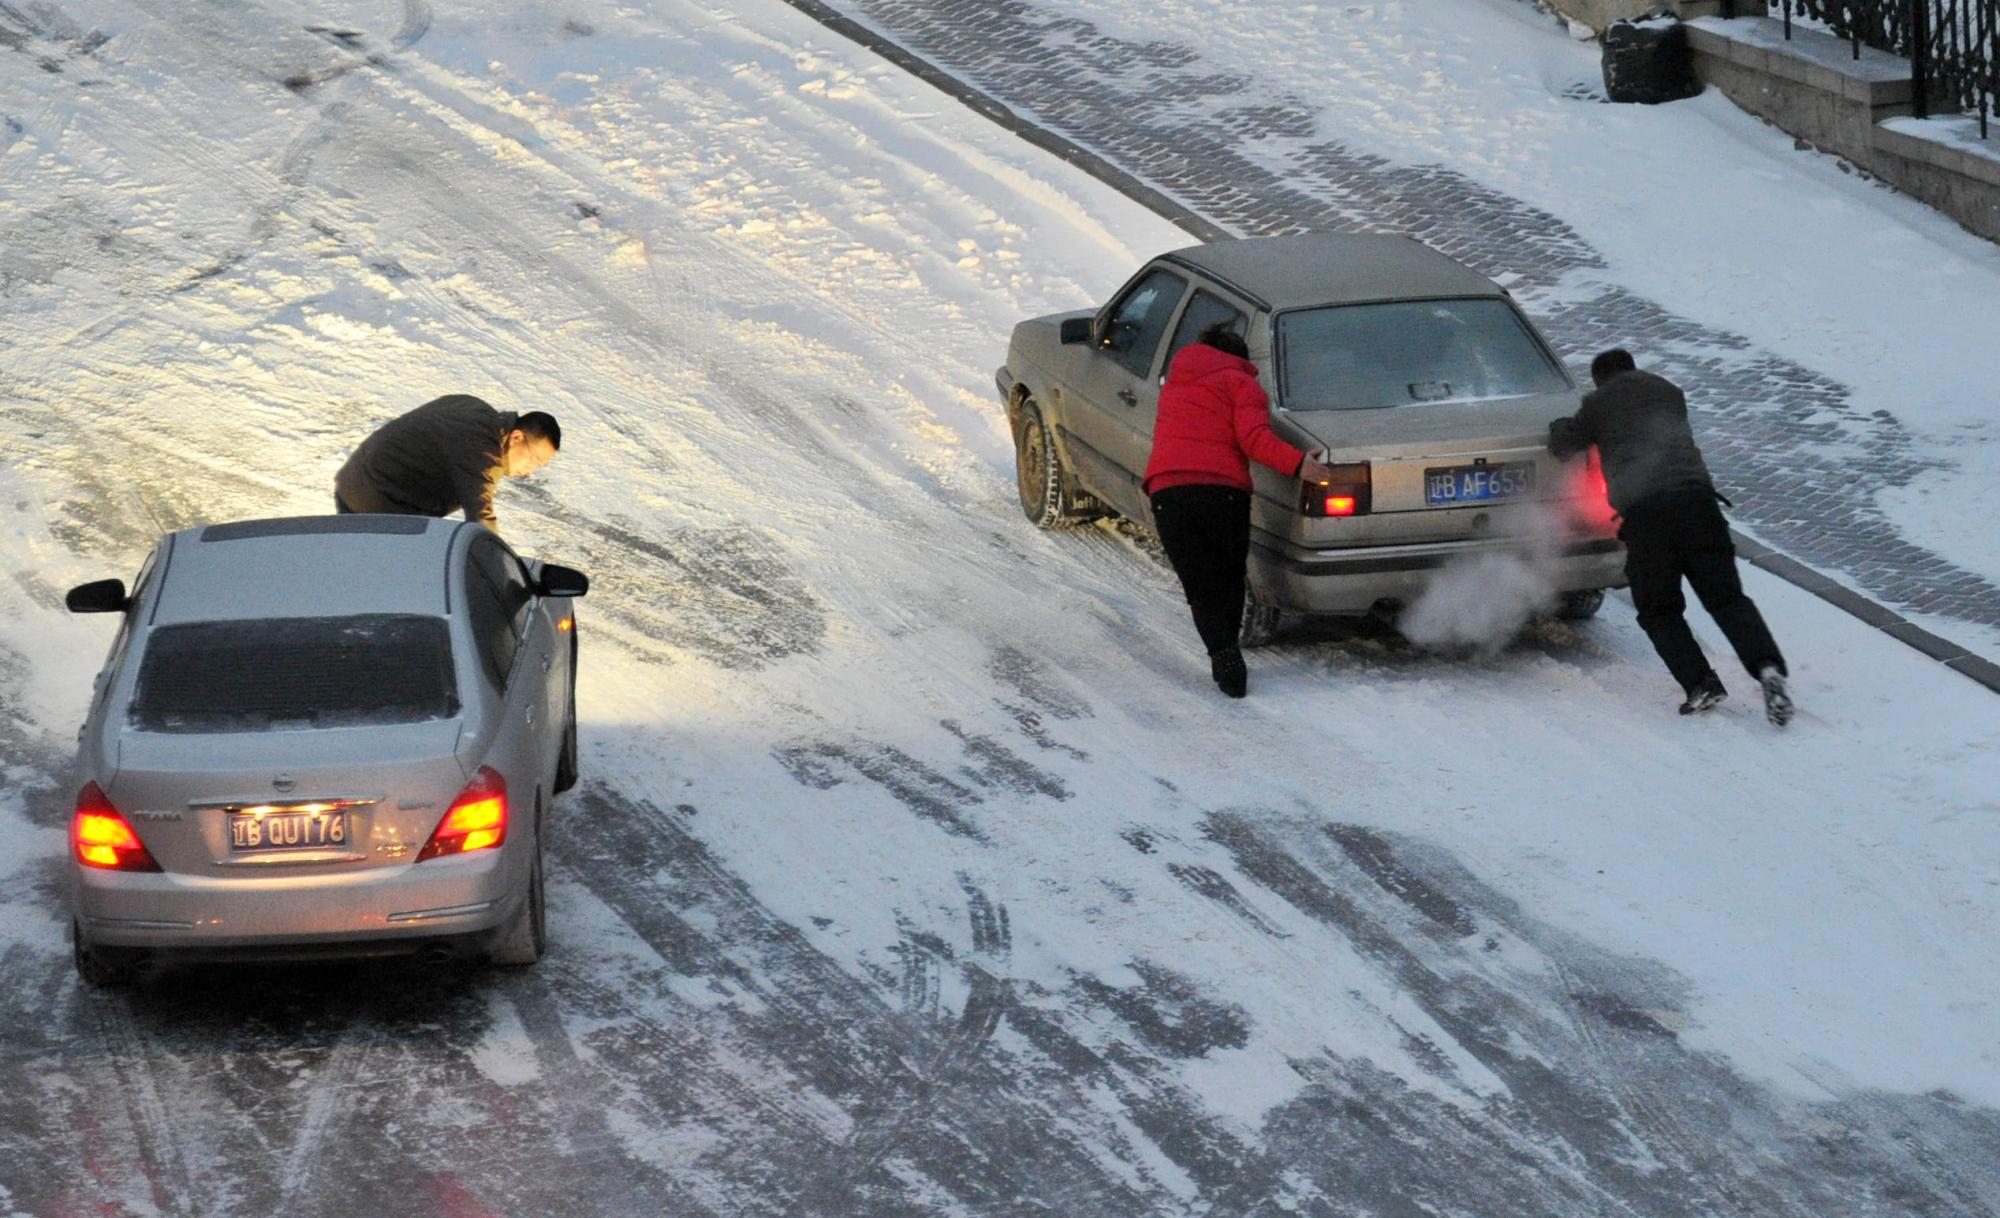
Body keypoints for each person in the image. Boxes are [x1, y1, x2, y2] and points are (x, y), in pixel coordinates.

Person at [1548, 349, 1794, 725]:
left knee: (1658, 609)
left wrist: (1557, 428)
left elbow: (1567, 442)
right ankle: (1767, 669)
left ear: (1600, 379)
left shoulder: (1599, 403)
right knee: (1727, 599)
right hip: (1700, 505)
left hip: (1649, 517)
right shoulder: (1668, 392)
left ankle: (1700, 683)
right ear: (1632, 368)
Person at [1144, 324, 1334, 698]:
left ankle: (1223, 654)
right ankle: (1228, 655)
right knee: (1228, 577)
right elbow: (1254, 439)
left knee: (1198, 583)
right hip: (1221, 492)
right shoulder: (1241, 383)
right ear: (1238, 357)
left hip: (1169, 491)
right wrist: (1300, 464)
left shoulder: (1176, 382)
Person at [334, 395, 560, 535]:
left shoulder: (475, 408)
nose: (530, 471)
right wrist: (499, 568)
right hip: (376, 500)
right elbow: (480, 515)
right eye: (534, 460)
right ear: (517, 437)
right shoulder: (484, 448)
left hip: (359, 482)